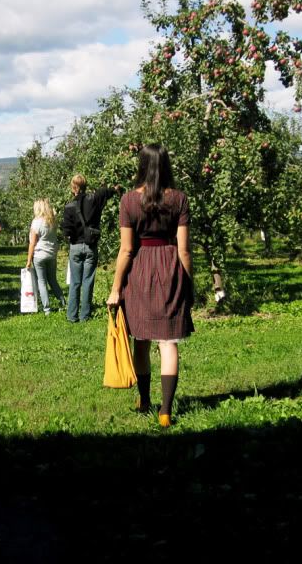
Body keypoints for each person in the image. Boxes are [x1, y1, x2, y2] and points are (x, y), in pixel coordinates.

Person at [106, 144, 193, 428]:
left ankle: (144, 399)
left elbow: (126, 250)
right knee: (168, 344)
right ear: (166, 165)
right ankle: (165, 410)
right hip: (169, 269)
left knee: (140, 341)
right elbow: (184, 250)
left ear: (141, 166)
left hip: (140, 272)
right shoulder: (179, 199)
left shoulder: (129, 201)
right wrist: (188, 283)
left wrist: (116, 288)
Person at [62, 175, 119, 322]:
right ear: (85, 185)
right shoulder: (94, 199)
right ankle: (84, 315)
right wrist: (115, 188)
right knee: (88, 281)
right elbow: (107, 191)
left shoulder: (69, 207)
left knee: (75, 282)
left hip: (75, 246)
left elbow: (66, 232)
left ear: (73, 187)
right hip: (90, 246)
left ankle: (71, 315)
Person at [25, 198, 65, 315]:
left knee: (41, 281)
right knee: (52, 280)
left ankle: (47, 309)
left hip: (39, 255)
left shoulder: (36, 222)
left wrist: (28, 260)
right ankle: (63, 302)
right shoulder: (52, 221)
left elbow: (32, 243)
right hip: (52, 254)